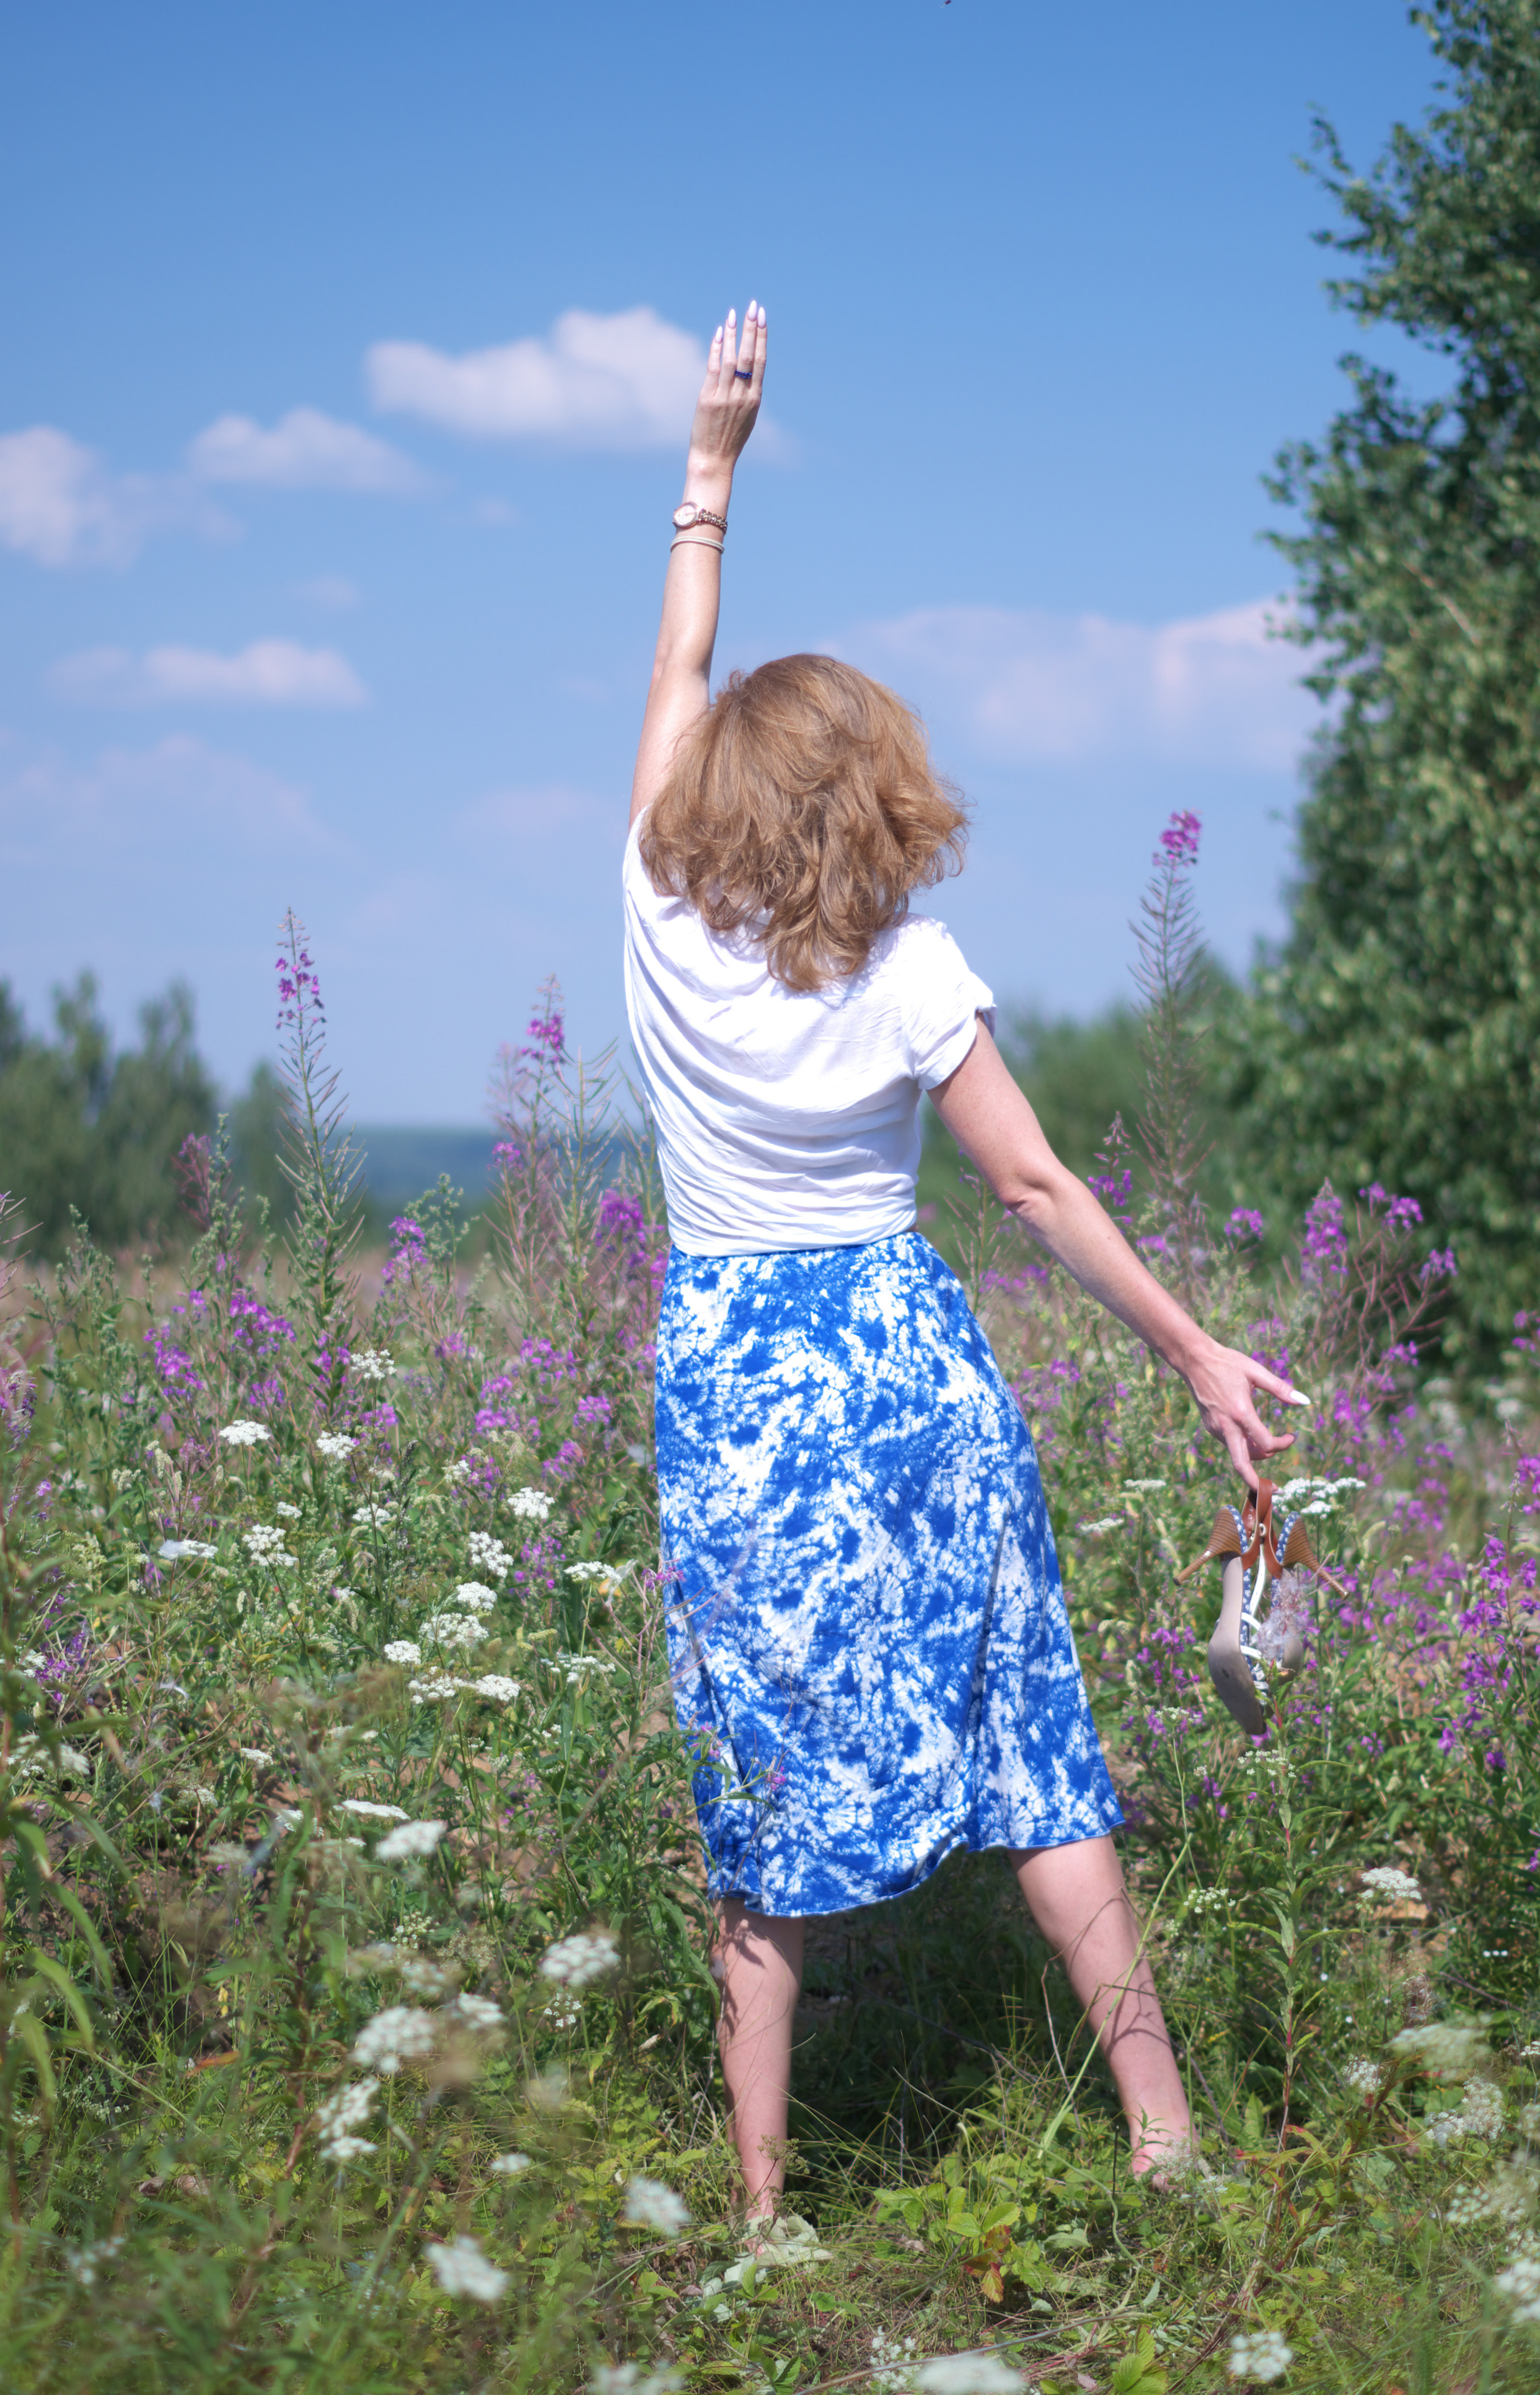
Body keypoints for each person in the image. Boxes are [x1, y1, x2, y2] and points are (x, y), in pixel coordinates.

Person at [622, 301, 1305, 2227]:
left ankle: (761, 2211)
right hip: (912, 1372)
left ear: (712, 804)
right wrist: (1190, 1350)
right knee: (1037, 1743)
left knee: (757, 1793)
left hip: (741, 1396)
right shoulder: (911, 971)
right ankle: (1166, 2145)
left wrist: (709, 472)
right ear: (880, 792)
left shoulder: (655, 927)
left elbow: (678, 658)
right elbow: (1032, 1187)